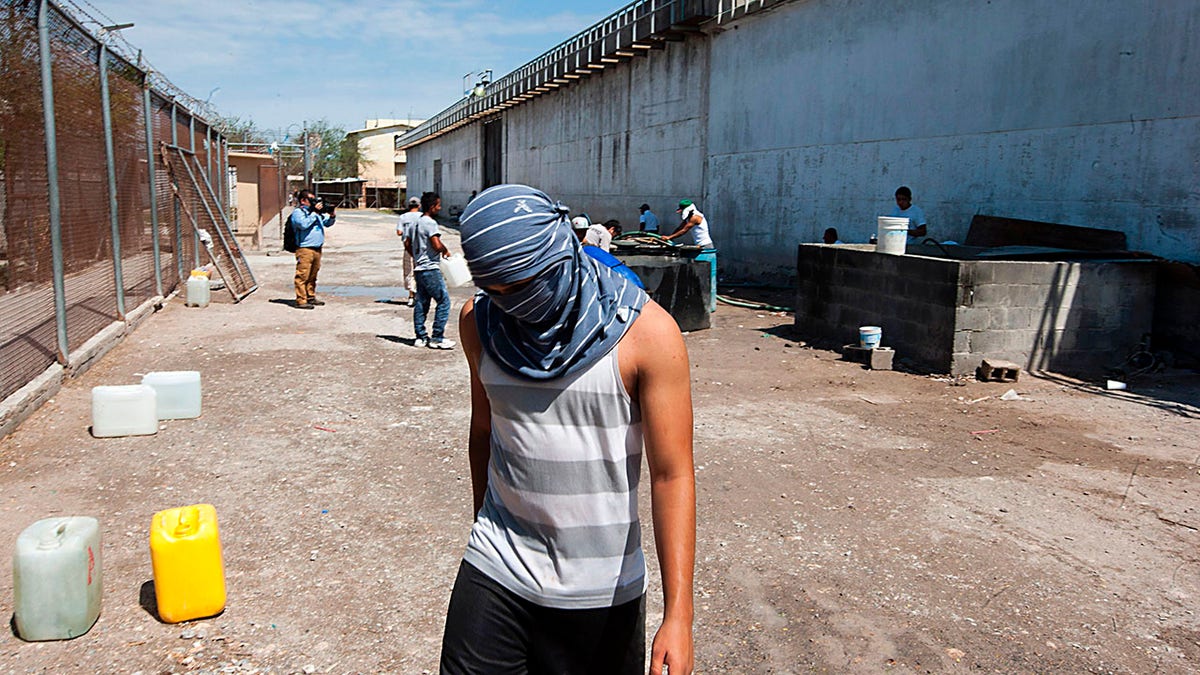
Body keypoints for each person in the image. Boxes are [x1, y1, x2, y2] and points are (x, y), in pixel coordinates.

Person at [441, 184, 695, 675]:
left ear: (558, 251)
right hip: (497, 567)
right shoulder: (480, 323)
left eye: (523, 284)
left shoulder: (646, 335)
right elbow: (484, 432)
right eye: (495, 288)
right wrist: (482, 526)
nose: (511, 304)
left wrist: (678, 616)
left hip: (600, 591)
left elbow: (672, 475)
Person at [406, 191, 455, 349]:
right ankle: (437, 337)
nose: (440, 208)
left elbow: (407, 243)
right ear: (432, 206)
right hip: (431, 268)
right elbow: (436, 243)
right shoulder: (430, 223)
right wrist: (445, 250)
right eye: (438, 205)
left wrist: (416, 256)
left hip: (419, 268)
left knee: (421, 302)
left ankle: (420, 337)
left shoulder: (415, 223)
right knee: (443, 301)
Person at [288, 189, 335, 310]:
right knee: (303, 275)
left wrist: (332, 214)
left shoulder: (315, 213)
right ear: (303, 200)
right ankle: (301, 300)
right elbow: (303, 225)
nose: (314, 202)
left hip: (317, 248)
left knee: (313, 275)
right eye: (311, 200)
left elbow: (327, 223)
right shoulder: (298, 213)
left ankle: (310, 296)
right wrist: (314, 212)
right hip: (305, 249)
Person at [395, 196, 422, 305]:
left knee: (409, 271)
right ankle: (420, 295)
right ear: (419, 206)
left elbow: (399, 232)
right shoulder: (422, 216)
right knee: (420, 270)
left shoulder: (403, 217)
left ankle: (411, 296)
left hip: (408, 247)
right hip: (421, 248)